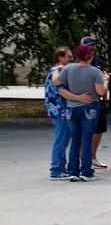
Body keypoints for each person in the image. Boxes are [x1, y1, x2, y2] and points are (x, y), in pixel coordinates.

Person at [53, 42, 107, 181]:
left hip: (72, 107)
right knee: (86, 140)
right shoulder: (95, 71)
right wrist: (105, 81)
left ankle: (73, 170)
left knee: (75, 140)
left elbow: (57, 83)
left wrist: (57, 70)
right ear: (91, 56)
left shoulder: (69, 68)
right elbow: (101, 92)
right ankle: (86, 171)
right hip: (89, 107)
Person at [79, 35, 109, 169]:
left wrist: (105, 99)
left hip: (98, 100)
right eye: (88, 45)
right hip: (83, 101)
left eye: (93, 45)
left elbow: (102, 81)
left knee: (99, 130)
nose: (91, 48)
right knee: (83, 133)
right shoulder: (76, 64)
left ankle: (93, 157)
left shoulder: (98, 62)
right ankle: (81, 160)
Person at [44, 45, 73, 180]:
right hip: (60, 111)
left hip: (58, 110)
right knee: (61, 140)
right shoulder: (57, 72)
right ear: (60, 57)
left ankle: (61, 167)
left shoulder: (57, 71)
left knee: (63, 140)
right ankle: (56, 169)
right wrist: (80, 98)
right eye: (69, 57)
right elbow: (62, 92)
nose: (71, 59)